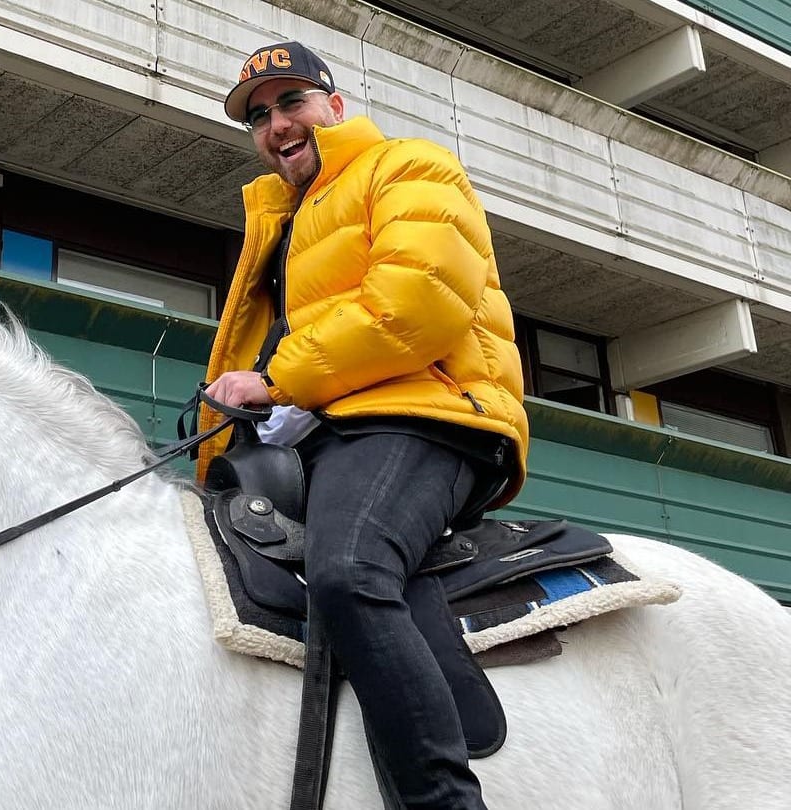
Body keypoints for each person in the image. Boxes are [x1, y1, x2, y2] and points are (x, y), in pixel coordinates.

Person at [199, 41, 530, 810]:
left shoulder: (410, 165)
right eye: (259, 115)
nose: (277, 123)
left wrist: (277, 380)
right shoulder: (282, 222)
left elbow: (417, 301)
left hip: (429, 415)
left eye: (292, 102)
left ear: (334, 107)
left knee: (347, 572)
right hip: (331, 425)